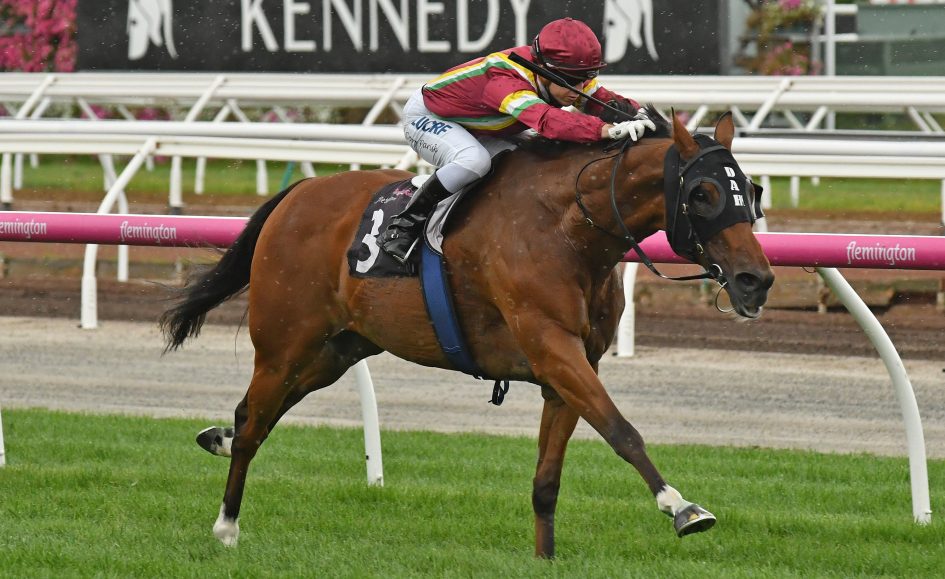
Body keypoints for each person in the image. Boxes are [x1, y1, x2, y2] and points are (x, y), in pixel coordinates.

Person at [380, 17, 656, 263]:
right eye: (572, 81)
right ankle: (405, 225)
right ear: (544, 70)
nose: (579, 89)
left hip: (484, 124)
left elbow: (601, 101)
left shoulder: (563, 72)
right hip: (430, 117)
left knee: (532, 159)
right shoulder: (505, 79)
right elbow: (547, 122)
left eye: (585, 79)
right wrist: (605, 130)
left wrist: (638, 115)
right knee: (473, 161)